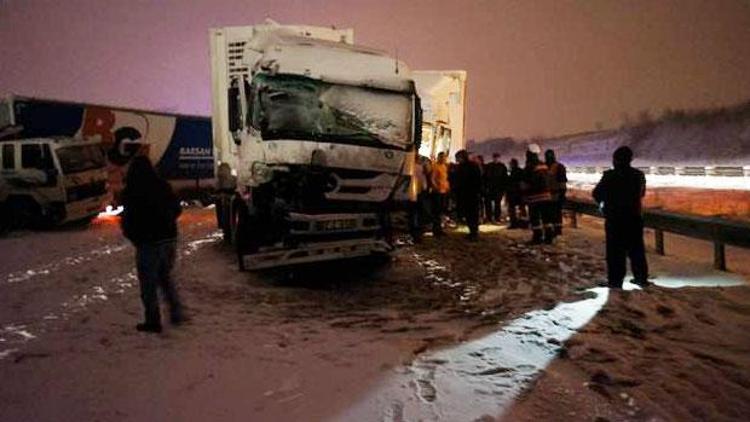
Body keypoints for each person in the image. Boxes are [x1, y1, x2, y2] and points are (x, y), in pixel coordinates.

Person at [121, 155, 185, 333]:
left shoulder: (132, 191)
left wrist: (134, 235)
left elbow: (128, 220)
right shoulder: (163, 186)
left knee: (148, 284)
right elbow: (177, 209)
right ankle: (176, 312)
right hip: (168, 240)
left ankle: (153, 320)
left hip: (148, 243)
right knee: (164, 277)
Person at [593, 146, 650, 289]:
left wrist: (605, 203)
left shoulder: (609, 176)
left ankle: (615, 281)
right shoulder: (638, 175)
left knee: (615, 252)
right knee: (636, 249)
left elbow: (596, 194)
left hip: (615, 219)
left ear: (615, 160)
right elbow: (641, 193)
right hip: (634, 218)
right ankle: (641, 278)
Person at [522, 144, 555, 244]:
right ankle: (549, 237)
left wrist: (524, 192)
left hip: (534, 197)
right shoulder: (544, 165)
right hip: (546, 196)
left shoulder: (530, 166)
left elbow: (527, 182)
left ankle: (537, 237)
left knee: (535, 219)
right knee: (546, 218)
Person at [453, 149, 482, 241]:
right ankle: (472, 231)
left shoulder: (467, 167)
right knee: (470, 214)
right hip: (469, 193)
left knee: (471, 214)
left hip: (469, 193)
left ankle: (473, 232)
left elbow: (475, 180)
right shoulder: (470, 166)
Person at [545, 149, 567, 236]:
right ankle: (555, 230)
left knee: (554, 213)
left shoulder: (557, 167)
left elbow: (562, 182)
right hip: (552, 194)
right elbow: (562, 182)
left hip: (553, 194)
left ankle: (556, 230)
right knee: (554, 213)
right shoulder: (559, 166)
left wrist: (562, 194)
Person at [483, 153, 509, 223]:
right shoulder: (490, 166)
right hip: (491, 188)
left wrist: (503, 188)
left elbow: (504, 178)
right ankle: (490, 217)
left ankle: (496, 217)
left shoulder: (501, 166)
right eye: (495, 158)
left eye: (497, 158)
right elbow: (485, 177)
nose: (496, 159)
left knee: (497, 204)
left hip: (497, 188)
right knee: (489, 204)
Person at [215, 162, 237, 241]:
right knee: (225, 218)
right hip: (224, 202)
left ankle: (228, 233)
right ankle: (227, 233)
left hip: (229, 202)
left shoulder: (234, 179)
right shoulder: (218, 181)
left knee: (227, 218)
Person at [430, 151, 450, 236]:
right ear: (439, 158)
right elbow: (432, 178)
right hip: (437, 192)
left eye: (445, 157)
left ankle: (439, 228)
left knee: (441, 211)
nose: (444, 159)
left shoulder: (444, 167)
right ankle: (436, 229)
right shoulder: (435, 166)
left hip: (444, 191)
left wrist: (447, 186)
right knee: (437, 211)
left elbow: (445, 178)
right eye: (442, 157)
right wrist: (435, 187)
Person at [506, 158, 527, 229]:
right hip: (520, 194)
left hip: (514, 194)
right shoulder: (520, 171)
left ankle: (514, 223)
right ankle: (524, 223)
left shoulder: (512, 173)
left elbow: (510, 183)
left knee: (513, 209)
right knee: (522, 209)